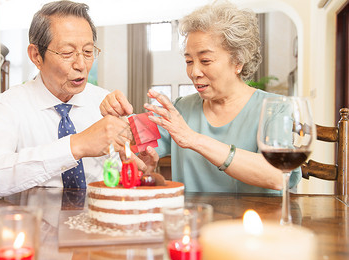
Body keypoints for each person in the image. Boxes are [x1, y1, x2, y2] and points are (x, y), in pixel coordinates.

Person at [100, 0, 301, 193]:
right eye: (189, 61)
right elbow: (129, 143)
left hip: (254, 225)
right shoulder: (179, 109)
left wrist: (194, 140)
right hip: (192, 222)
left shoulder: (274, 108)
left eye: (205, 60)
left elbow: (278, 175)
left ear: (238, 61)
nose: (194, 72)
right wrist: (117, 114)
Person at [0, 1, 130, 199]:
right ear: (36, 56)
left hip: (96, 222)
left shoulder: (104, 103)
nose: (81, 64)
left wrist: (136, 163)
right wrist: (75, 145)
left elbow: (117, 177)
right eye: (67, 53)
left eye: (88, 52)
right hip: (34, 224)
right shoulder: (7, 106)